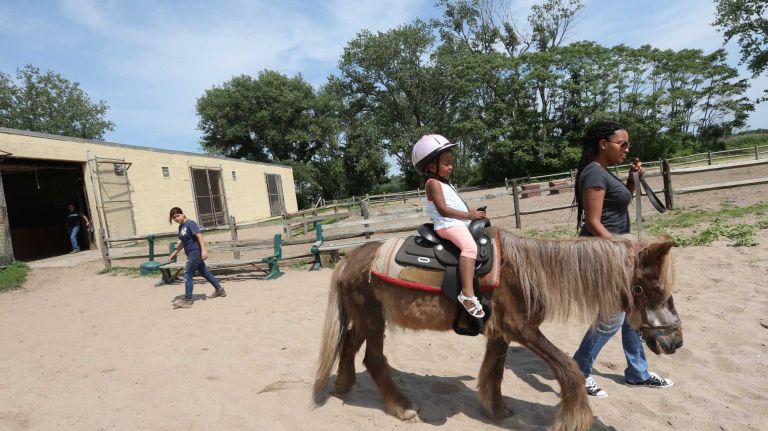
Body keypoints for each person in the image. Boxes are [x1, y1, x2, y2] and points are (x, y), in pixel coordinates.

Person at [572, 120, 673, 397]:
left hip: (615, 251)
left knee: (633, 312)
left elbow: (618, 204)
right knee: (612, 318)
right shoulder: (594, 173)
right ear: (603, 144)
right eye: (622, 144)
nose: (626, 149)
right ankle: (577, 371)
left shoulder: (604, 172)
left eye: (628, 144)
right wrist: (622, 248)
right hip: (603, 255)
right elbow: (593, 222)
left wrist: (631, 180)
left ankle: (637, 373)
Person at [412, 134, 487, 318]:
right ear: (431, 166)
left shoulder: (446, 184)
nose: (450, 167)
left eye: (450, 162)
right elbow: (444, 210)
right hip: (447, 224)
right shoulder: (433, 184)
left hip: (456, 221)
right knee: (470, 248)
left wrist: (472, 212)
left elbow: (456, 204)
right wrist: (468, 215)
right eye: (446, 164)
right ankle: (467, 294)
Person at [168, 207, 226, 309]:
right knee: (204, 273)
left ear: (183, 214)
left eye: (178, 215)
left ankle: (187, 300)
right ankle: (220, 290)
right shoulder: (181, 227)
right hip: (190, 253)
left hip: (195, 253)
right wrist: (175, 252)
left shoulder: (190, 223)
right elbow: (184, 242)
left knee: (188, 275)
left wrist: (203, 251)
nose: (176, 218)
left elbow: (199, 236)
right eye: (174, 218)